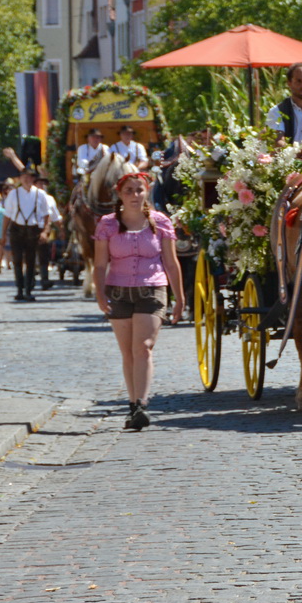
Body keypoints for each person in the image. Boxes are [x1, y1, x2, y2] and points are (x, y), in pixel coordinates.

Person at [93, 170, 184, 430]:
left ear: (147, 192)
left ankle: (142, 404)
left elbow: (171, 262)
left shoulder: (161, 222)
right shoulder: (107, 224)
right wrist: (100, 293)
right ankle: (133, 406)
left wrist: (179, 298)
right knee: (128, 352)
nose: (135, 195)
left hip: (152, 289)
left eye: (139, 190)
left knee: (143, 347)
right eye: (129, 191)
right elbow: (100, 265)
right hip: (119, 292)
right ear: (120, 195)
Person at [0, 168, 56, 301]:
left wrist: (45, 231)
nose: (26, 179)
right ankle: (20, 289)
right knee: (17, 260)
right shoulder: (13, 194)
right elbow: (7, 216)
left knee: (31, 261)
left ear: (33, 179)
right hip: (17, 229)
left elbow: (46, 215)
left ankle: (29, 290)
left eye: (29, 177)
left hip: (33, 229)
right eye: (23, 176)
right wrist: (3, 234)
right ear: (19, 179)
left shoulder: (40, 194)